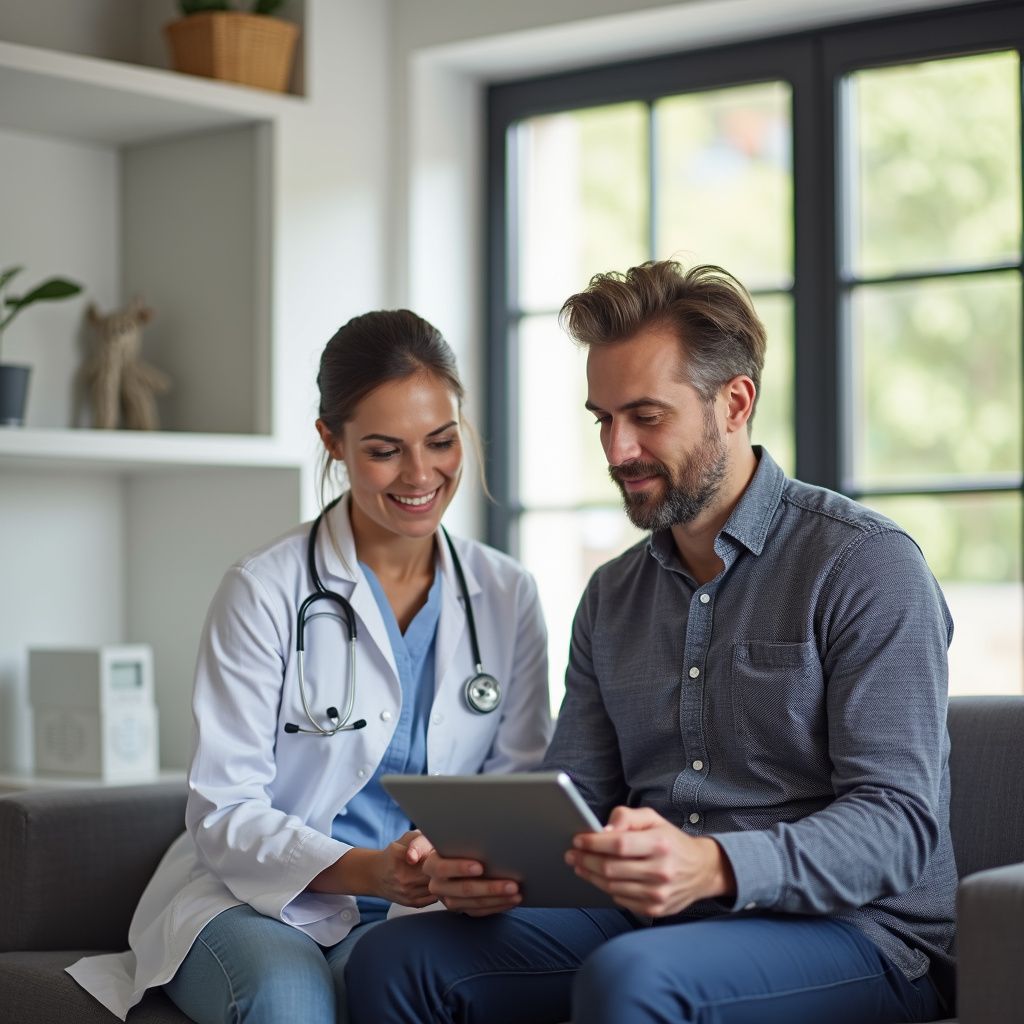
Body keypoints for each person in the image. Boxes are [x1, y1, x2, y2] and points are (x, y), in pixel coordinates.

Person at [344, 261, 957, 1024]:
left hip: (854, 932)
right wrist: (496, 870)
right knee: (396, 959)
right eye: (602, 418)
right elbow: (579, 800)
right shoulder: (612, 596)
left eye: (645, 416)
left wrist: (715, 864)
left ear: (733, 403)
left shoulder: (863, 564)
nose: (617, 449)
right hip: (652, 919)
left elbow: (897, 827)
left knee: (634, 979)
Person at [66, 309, 552, 1023]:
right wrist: (371, 870)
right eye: (385, 450)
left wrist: (462, 872)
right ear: (332, 440)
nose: (422, 475)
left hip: (418, 907)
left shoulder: (507, 594)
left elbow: (520, 786)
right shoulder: (264, 590)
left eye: (442, 442)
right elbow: (226, 809)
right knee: (290, 1001)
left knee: (401, 984)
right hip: (256, 895)